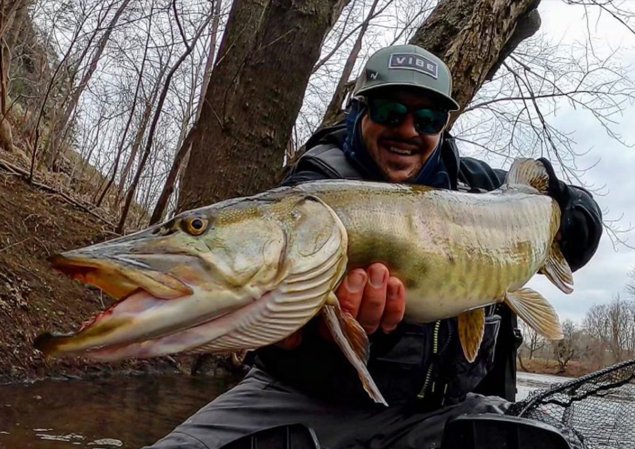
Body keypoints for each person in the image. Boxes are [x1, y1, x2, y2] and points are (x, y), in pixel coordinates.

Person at [145, 44, 602, 449]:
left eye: (427, 119)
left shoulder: (477, 185)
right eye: (389, 112)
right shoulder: (312, 192)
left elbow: (582, 226)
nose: (407, 130)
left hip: (440, 411)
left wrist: (567, 210)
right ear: (361, 111)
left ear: (443, 127)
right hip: (305, 403)